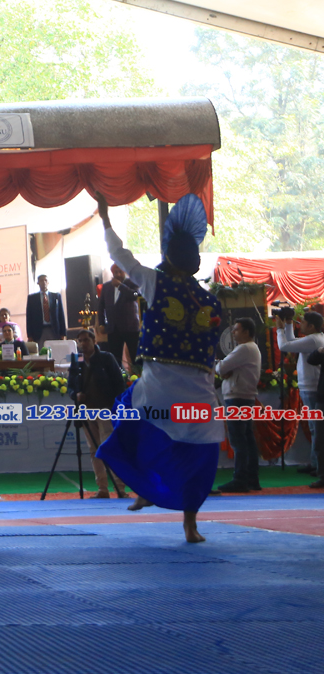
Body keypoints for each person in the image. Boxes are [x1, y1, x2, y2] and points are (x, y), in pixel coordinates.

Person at [93, 193, 223, 543]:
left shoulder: (156, 283)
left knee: (128, 415)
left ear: (168, 257)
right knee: (198, 455)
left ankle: (143, 488)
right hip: (200, 396)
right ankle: (190, 525)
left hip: (159, 388)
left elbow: (121, 256)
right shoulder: (212, 302)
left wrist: (106, 219)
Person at [67, 330, 127, 498]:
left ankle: (120, 488)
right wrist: (75, 395)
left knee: (110, 447)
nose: (83, 344)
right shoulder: (77, 360)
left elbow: (119, 383)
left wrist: (116, 407)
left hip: (106, 409)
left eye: (86, 340)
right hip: (86, 411)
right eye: (80, 341)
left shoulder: (106, 358)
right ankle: (102, 489)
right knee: (94, 449)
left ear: (94, 341)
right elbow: (70, 385)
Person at [214, 318, 263, 494]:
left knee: (238, 440)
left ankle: (240, 479)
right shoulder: (252, 348)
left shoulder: (244, 348)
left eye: (236, 329)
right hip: (245, 397)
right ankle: (251, 478)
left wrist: (220, 366)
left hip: (237, 397)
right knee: (247, 439)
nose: (233, 332)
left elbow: (221, 368)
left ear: (246, 332)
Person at [275, 310, 324, 484]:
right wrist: (288, 324)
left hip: (311, 387)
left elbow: (284, 346)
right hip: (311, 386)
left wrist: (279, 329)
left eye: (302, 322)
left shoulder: (313, 340)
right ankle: (316, 463)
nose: (300, 323)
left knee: (316, 430)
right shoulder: (316, 338)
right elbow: (293, 342)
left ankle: (318, 466)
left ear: (311, 326)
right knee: (314, 429)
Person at [100, 264, 142, 367]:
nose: (118, 274)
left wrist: (120, 286)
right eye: (116, 272)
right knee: (115, 359)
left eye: (120, 272)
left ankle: (138, 375)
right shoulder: (106, 286)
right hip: (113, 328)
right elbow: (101, 306)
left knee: (135, 357)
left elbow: (135, 295)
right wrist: (101, 323)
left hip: (130, 327)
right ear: (112, 272)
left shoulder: (132, 283)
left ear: (125, 272)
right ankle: (118, 375)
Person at [26, 275, 66, 346]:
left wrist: (63, 333)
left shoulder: (56, 296)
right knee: (41, 350)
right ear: (38, 283)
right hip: (38, 331)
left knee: (55, 350)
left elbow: (61, 315)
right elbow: (29, 318)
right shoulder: (32, 298)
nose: (44, 282)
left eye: (45, 280)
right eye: (41, 280)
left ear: (48, 282)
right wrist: (30, 335)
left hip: (54, 330)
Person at [306, 345, 324, 489]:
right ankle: (322, 476)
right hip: (322, 400)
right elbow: (311, 360)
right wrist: (320, 350)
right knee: (320, 440)